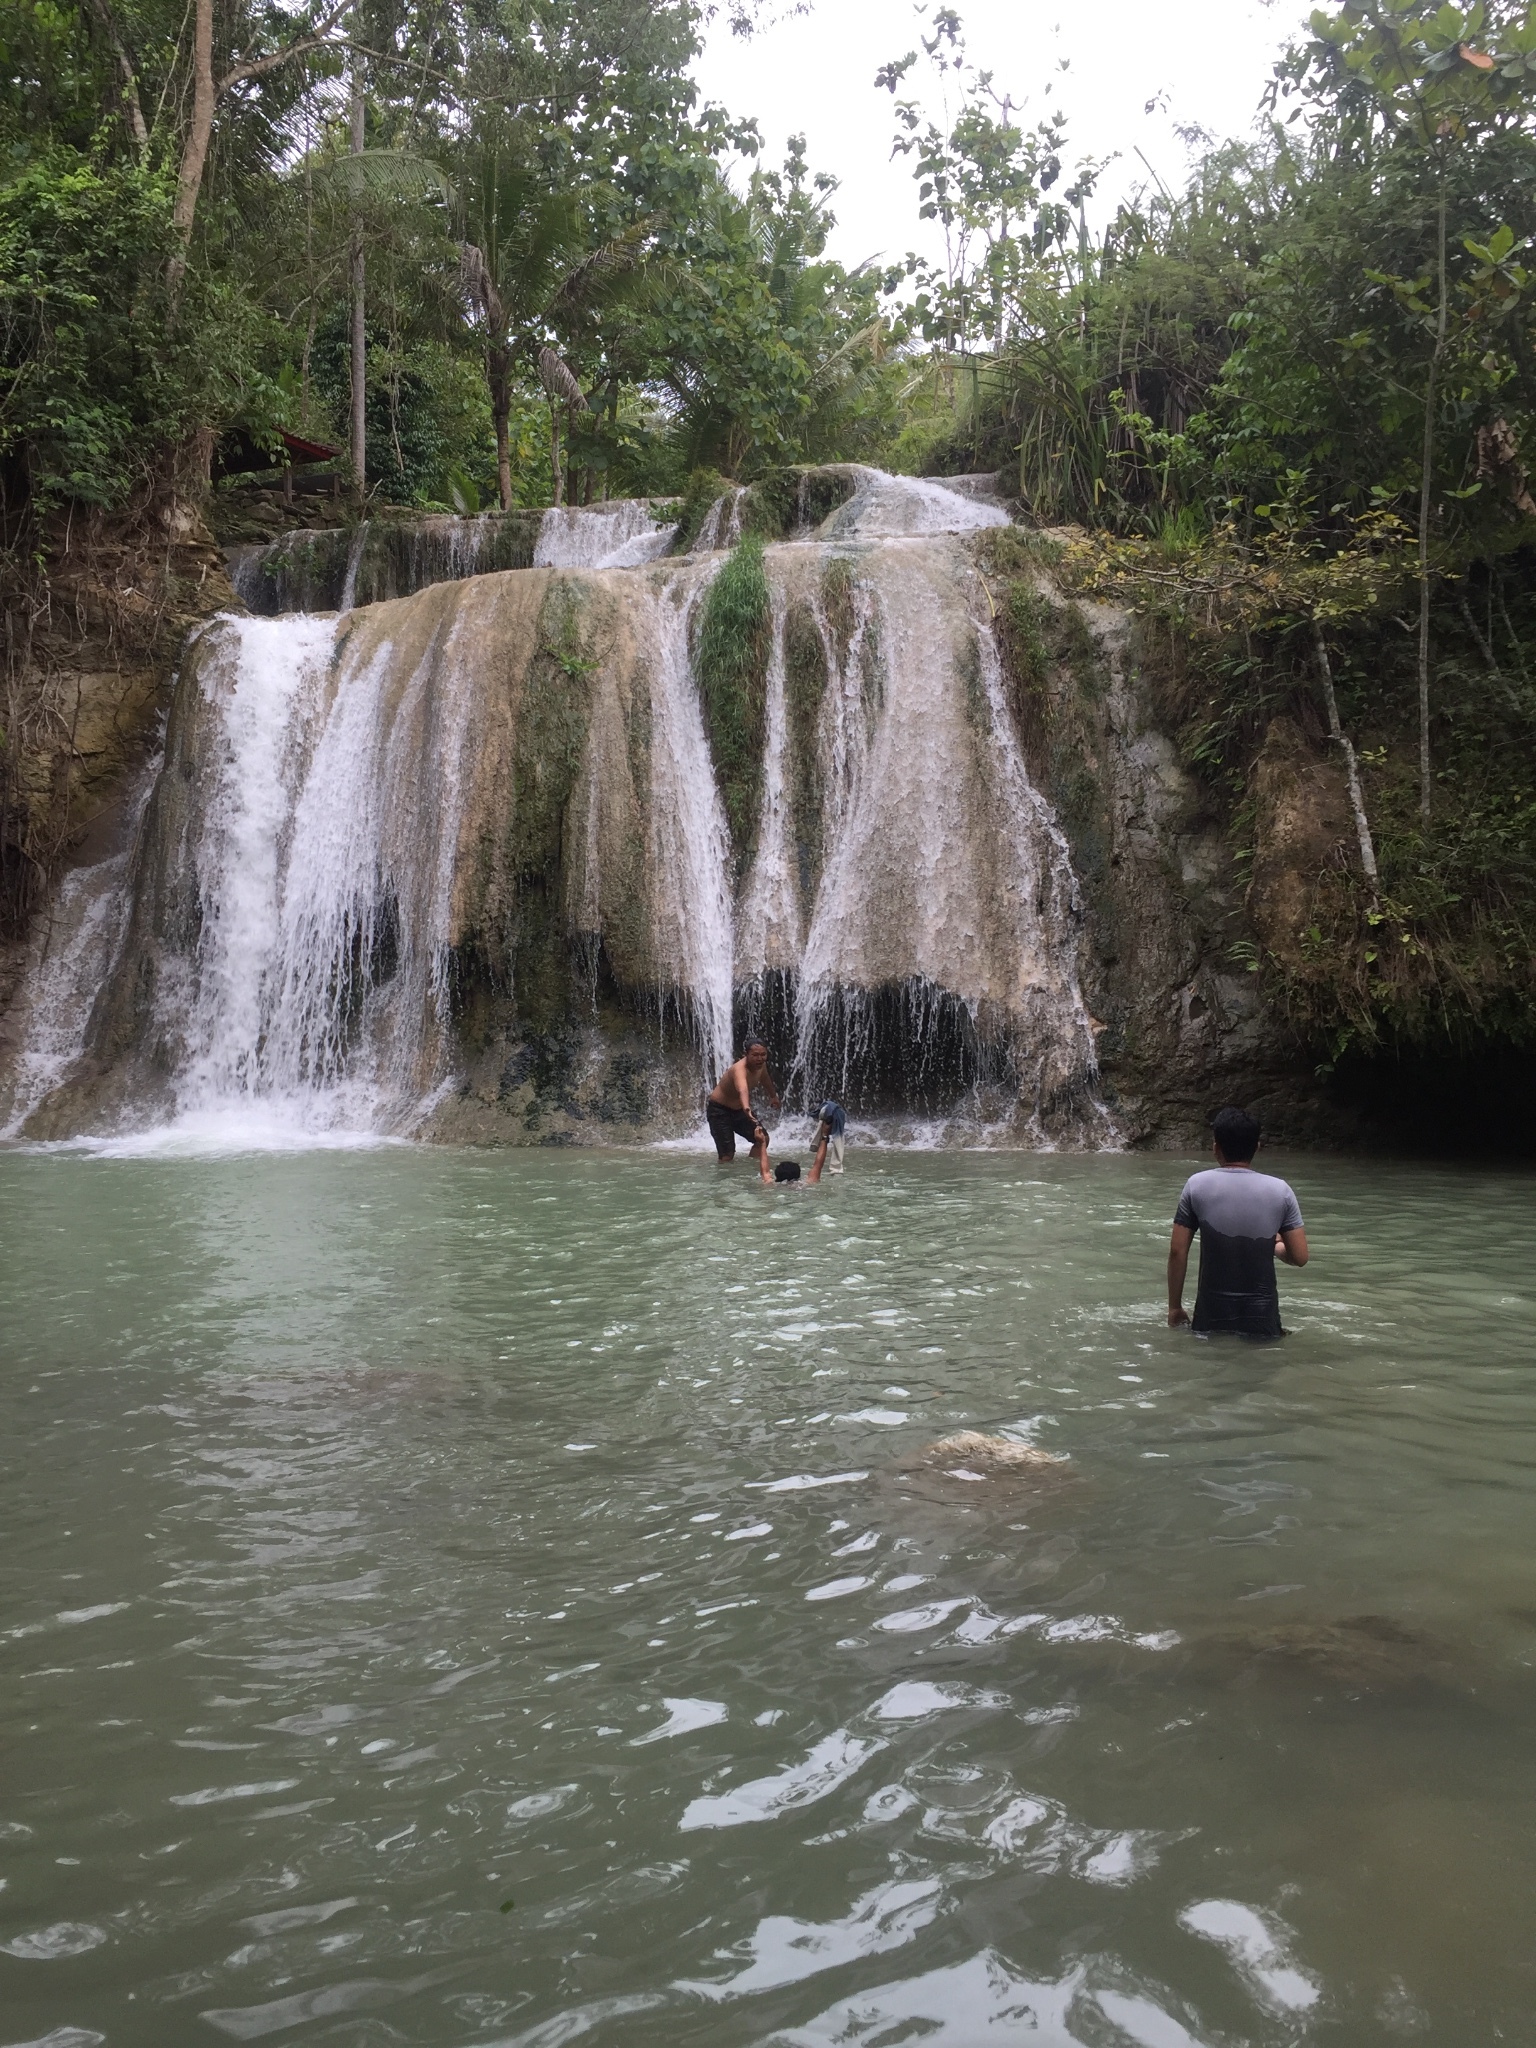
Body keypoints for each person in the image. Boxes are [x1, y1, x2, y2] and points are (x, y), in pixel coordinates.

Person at [1167, 1106, 1308, 1338]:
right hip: (1263, 1319)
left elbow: (1177, 1251)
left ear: (1216, 1148)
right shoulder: (1280, 1190)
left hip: (1210, 1315)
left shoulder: (1196, 1185)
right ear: (1257, 1147)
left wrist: (1174, 1308)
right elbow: (1300, 1257)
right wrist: (1274, 1245)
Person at [707, 1038, 780, 1183]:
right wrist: (747, 1109)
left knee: (762, 1139)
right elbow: (743, 1089)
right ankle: (723, 1182)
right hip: (719, 1111)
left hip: (739, 1110)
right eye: (755, 1055)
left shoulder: (761, 1065)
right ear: (746, 1054)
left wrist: (773, 1096)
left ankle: (751, 1171)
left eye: (763, 1054)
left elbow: (765, 1079)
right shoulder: (739, 1069)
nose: (760, 1058)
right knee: (727, 1154)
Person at [808, 1100, 846, 1183]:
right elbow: (817, 1166)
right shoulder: (807, 1182)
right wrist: (825, 1134)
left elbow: (816, 1167)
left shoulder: (772, 1182)